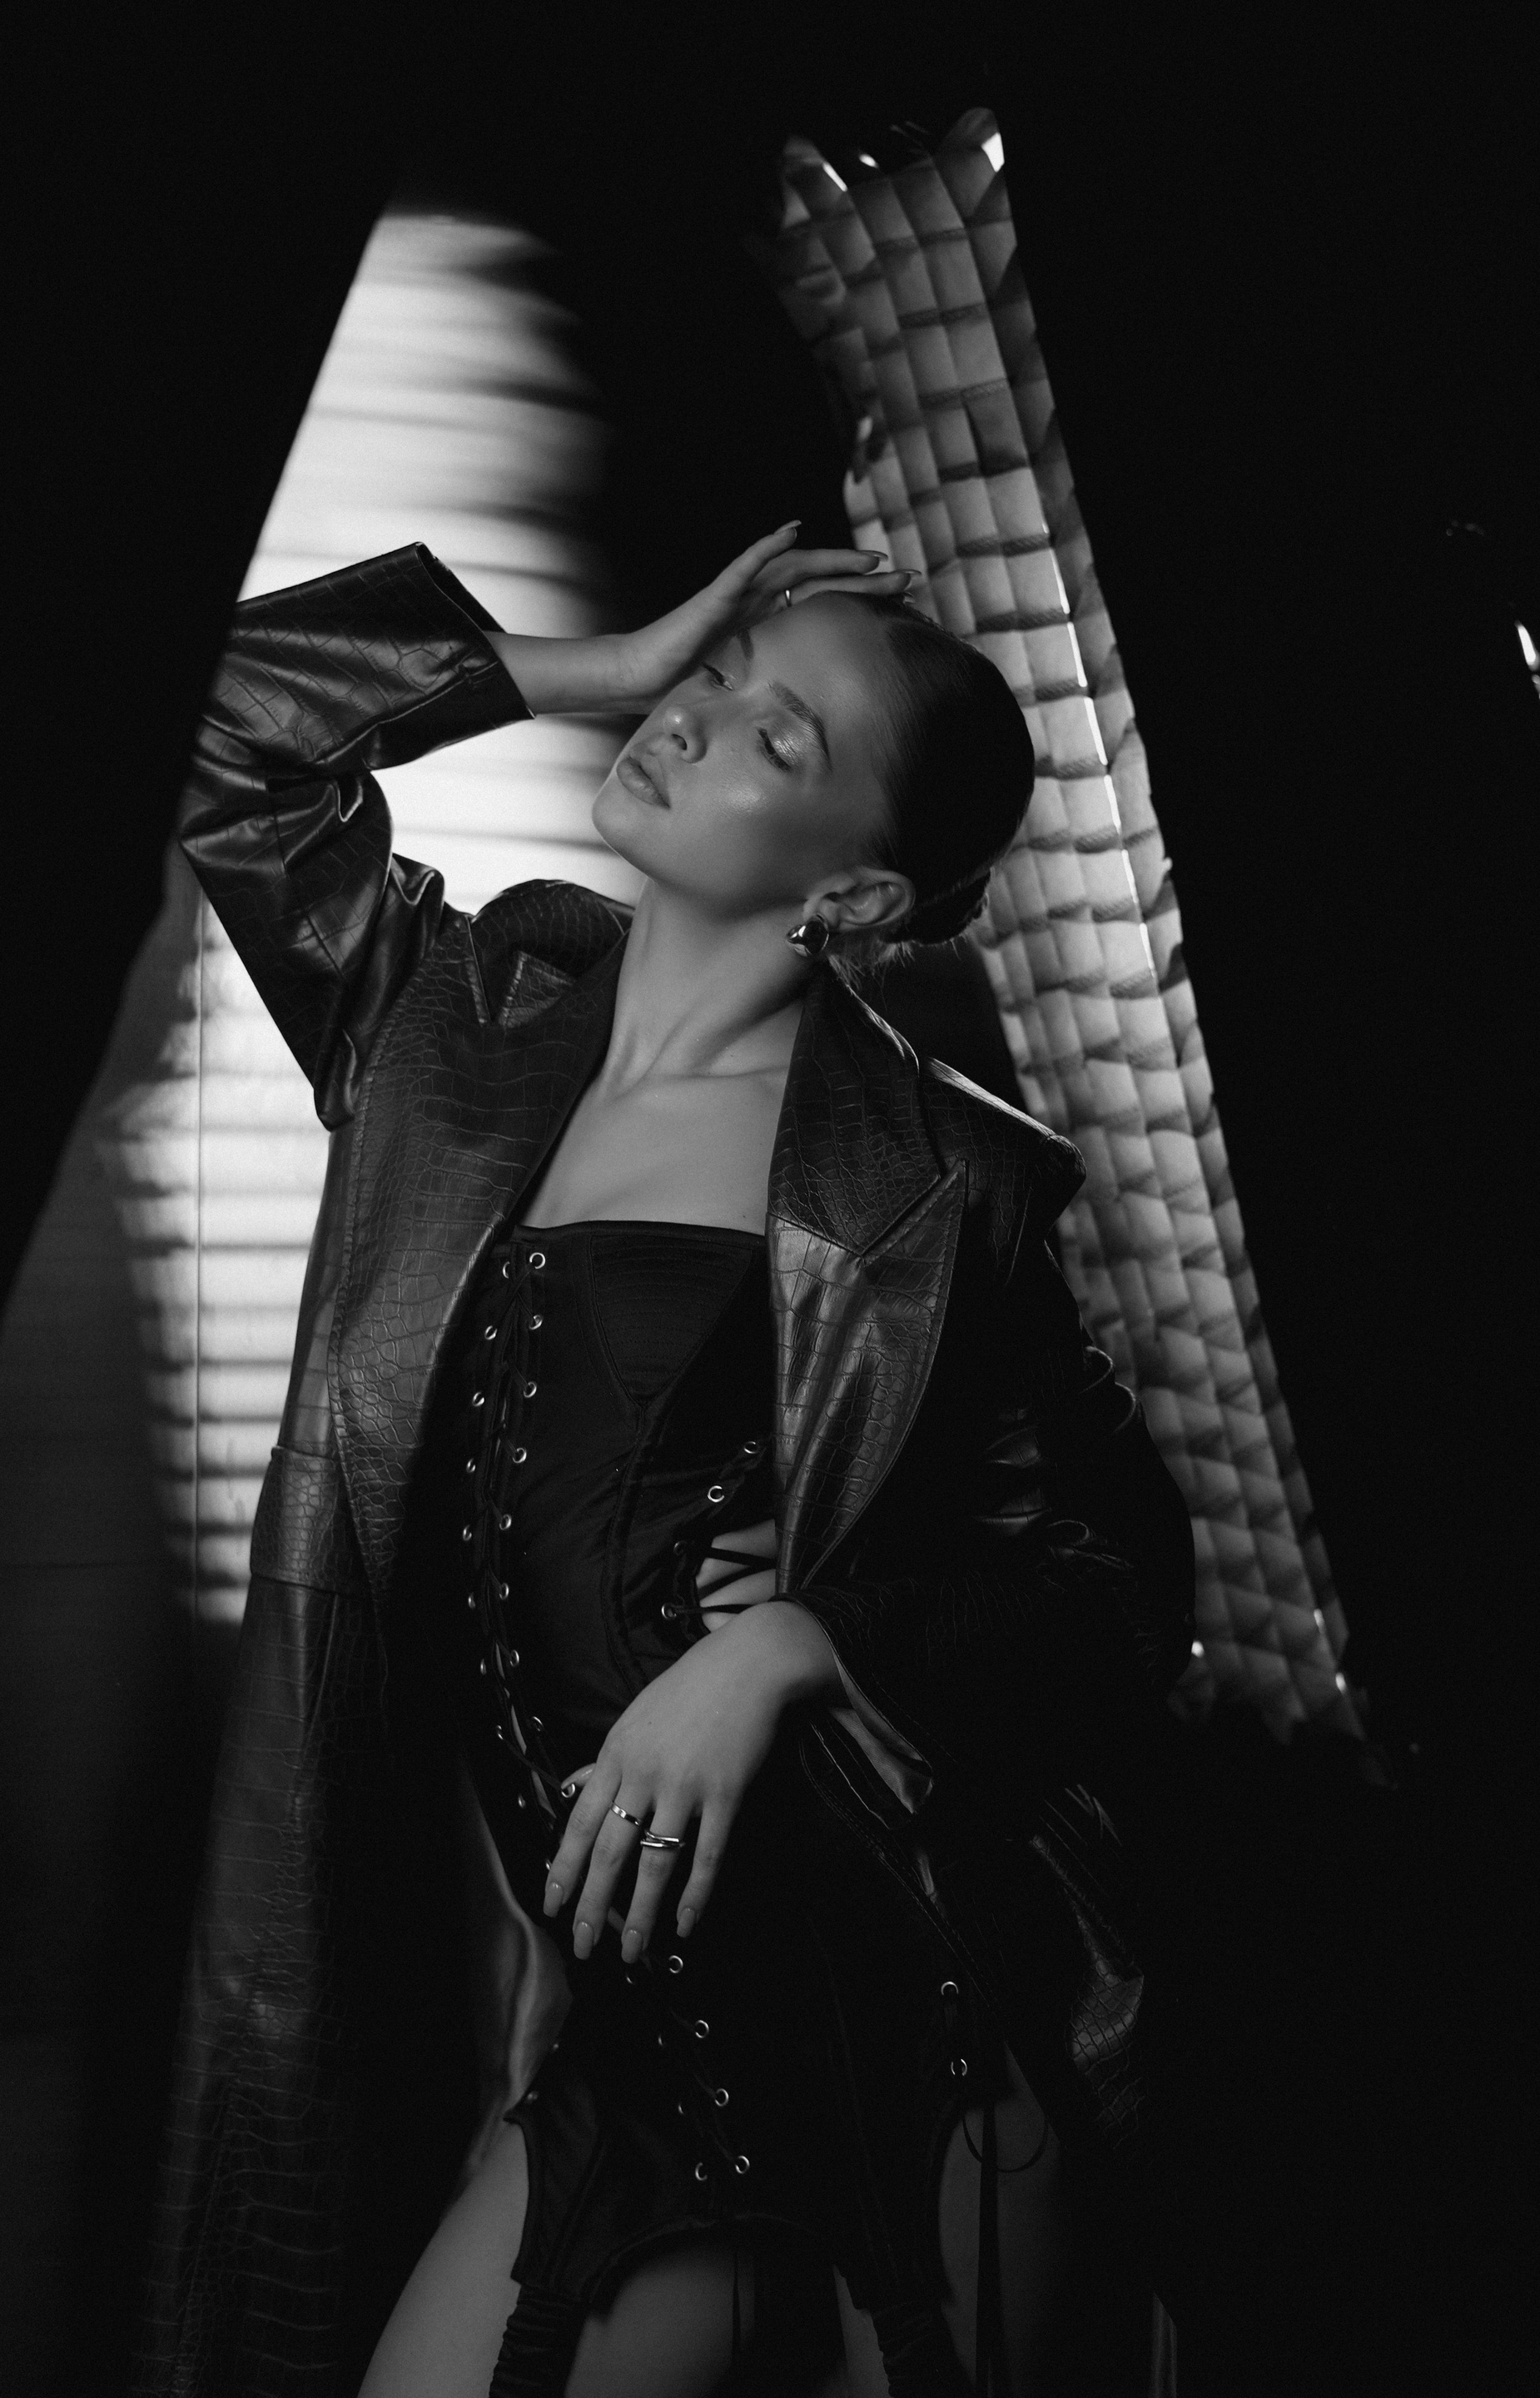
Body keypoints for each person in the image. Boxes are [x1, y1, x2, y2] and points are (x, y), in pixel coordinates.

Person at [137, 524, 1195, 2398]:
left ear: (856, 894)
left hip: (916, 2008)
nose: (696, 722)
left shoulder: (938, 1182)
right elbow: (225, 724)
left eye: (779, 736)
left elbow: (1125, 1596)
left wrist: (802, 1641)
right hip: (626, 2039)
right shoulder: (448, 1026)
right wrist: (599, 661)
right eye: (715, 679)